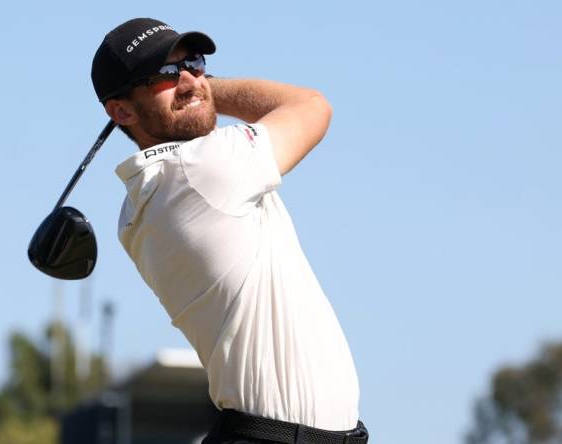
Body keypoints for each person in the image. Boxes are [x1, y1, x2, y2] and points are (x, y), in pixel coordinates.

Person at [91, 18, 369, 444]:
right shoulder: (201, 168)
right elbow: (313, 106)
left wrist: (187, 88)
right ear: (122, 111)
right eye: (165, 74)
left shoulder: (144, 199)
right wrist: (206, 89)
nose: (188, 80)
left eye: (195, 63)